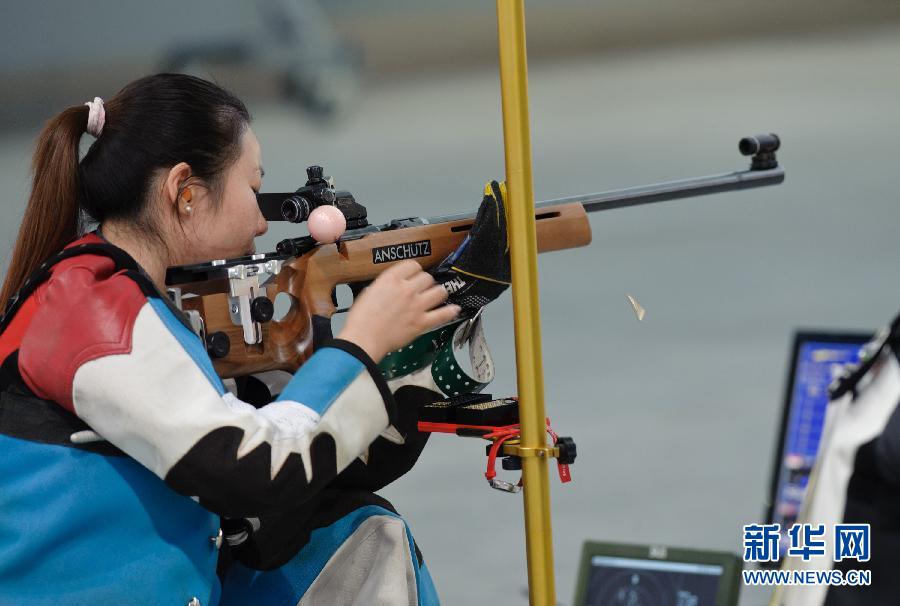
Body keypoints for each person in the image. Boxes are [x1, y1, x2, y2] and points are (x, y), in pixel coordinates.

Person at [0, 74, 510, 606]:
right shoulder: (99, 314)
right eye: (252, 187)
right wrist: (361, 341)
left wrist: (434, 317)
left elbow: (332, 461)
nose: (261, 222)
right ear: (185, 191)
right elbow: (255, 470)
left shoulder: (127, 293)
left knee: (366, 538)